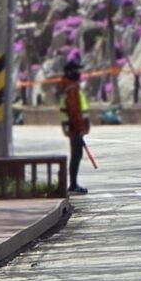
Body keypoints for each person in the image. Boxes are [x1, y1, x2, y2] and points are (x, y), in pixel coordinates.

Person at [60, 57, 91, 193]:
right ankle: (73, 184)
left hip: (73, 128)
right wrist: (79, 129)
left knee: (76, 155)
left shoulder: (69, 87)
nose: (79, 73)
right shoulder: (71, 89)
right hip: (75, 128)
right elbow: (74, 112)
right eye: (77, 70)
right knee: (76, 155)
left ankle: (73, 184)